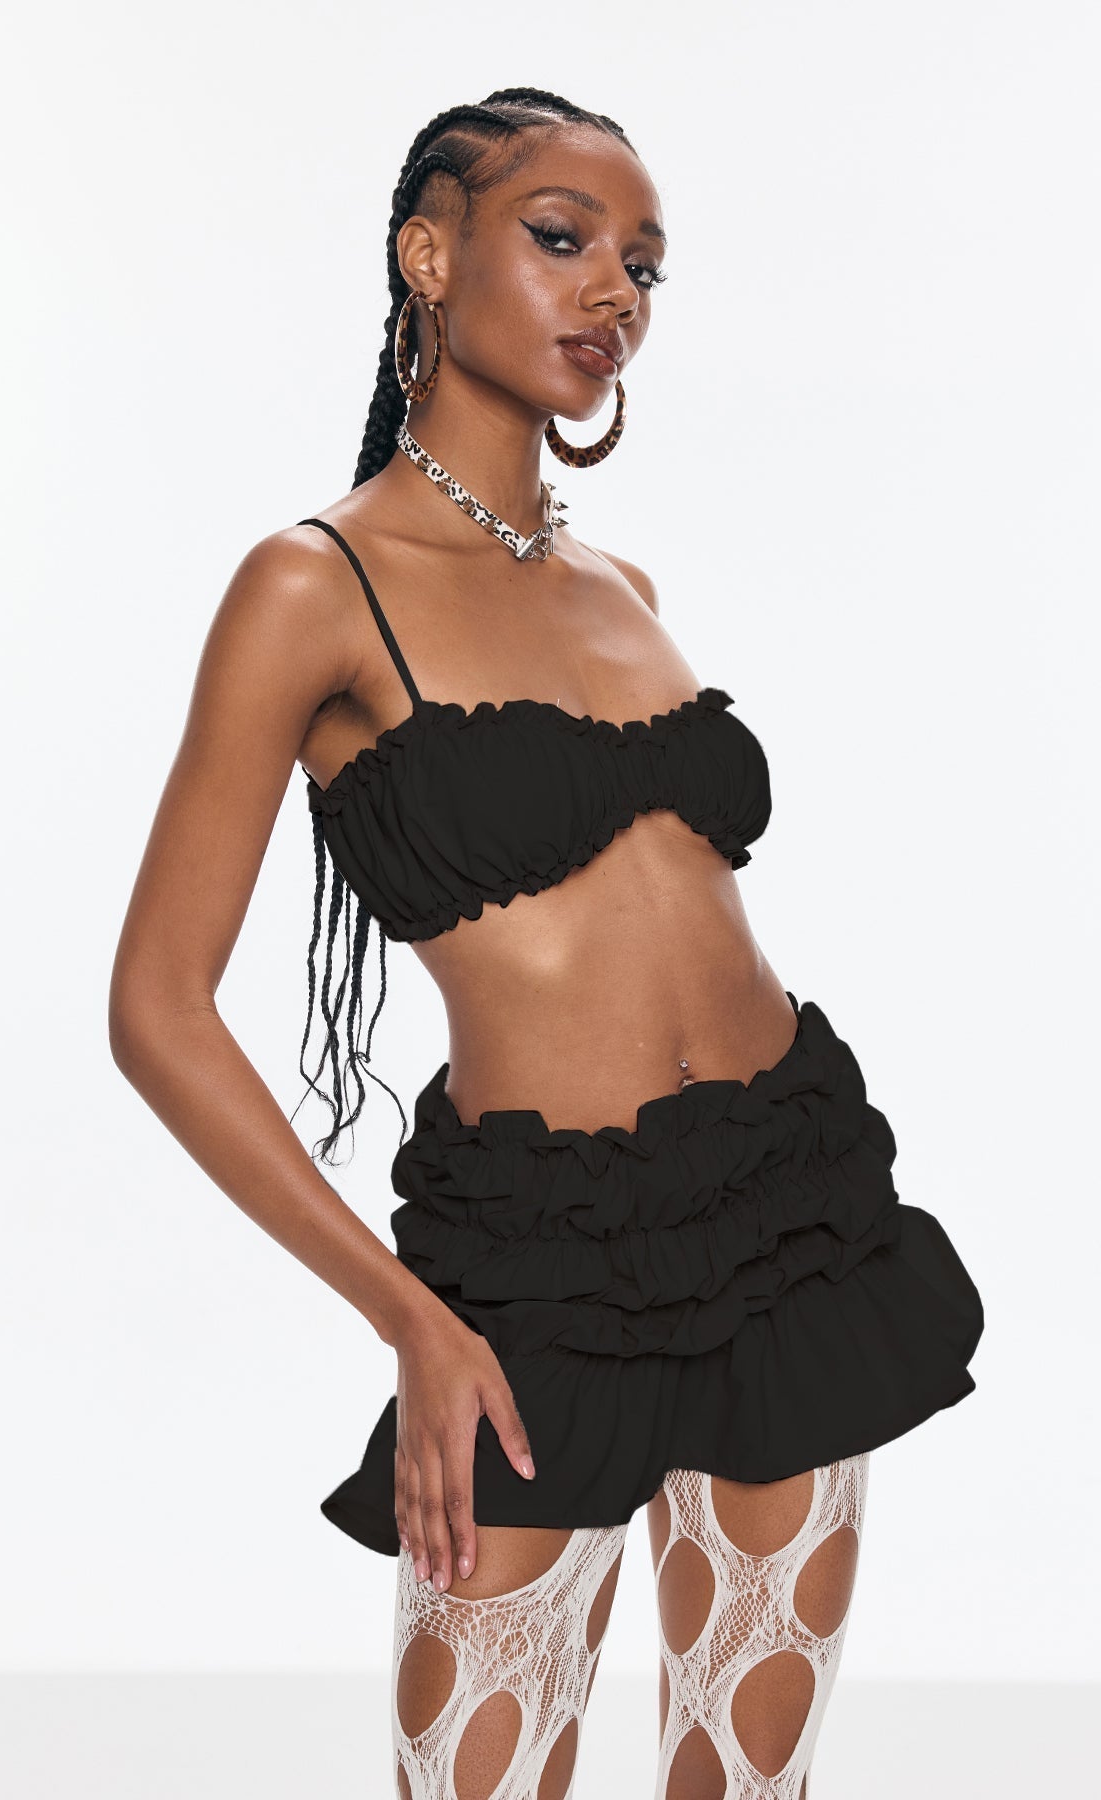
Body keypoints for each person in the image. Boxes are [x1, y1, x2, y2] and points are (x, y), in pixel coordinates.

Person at [109, 87, 984, 1800]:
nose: (615, 294)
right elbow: (157, 1007)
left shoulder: (627, 592)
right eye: (565, 239)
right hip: (536, 1268)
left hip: (787, 1209)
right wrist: (410, 1320)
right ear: (429, 255)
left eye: (644, 267)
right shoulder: (312, 585)